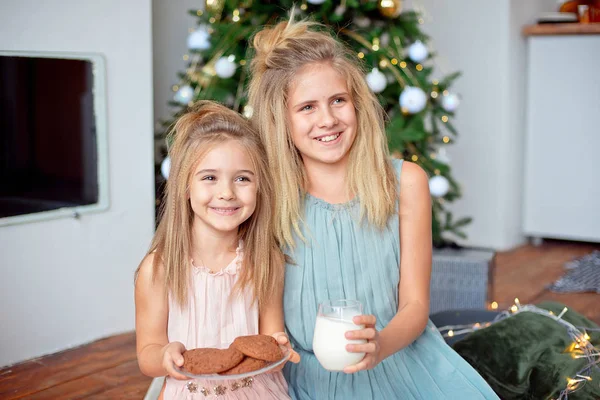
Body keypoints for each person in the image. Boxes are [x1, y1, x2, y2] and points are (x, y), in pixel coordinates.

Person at [247, 17, 500, 399]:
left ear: (357, 103)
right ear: (280, 120)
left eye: (338, 100)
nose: (328, 119)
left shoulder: (404, 182)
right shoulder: (270, 196)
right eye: (307, 107)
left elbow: (415, 305)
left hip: (397, 359)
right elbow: (267, 315)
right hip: (304, 378)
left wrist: (380, 345)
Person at [134, 101, 297, 399]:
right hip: (188, 391)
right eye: (210, 177)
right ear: (185, 186)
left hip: (255, 391)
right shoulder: (158, 268)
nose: (226, 193)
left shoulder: (266, 260)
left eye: (242, 178)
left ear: (259, 187)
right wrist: (165, 355)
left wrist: (278, 346)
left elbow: (271, 335)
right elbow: (147, 353)